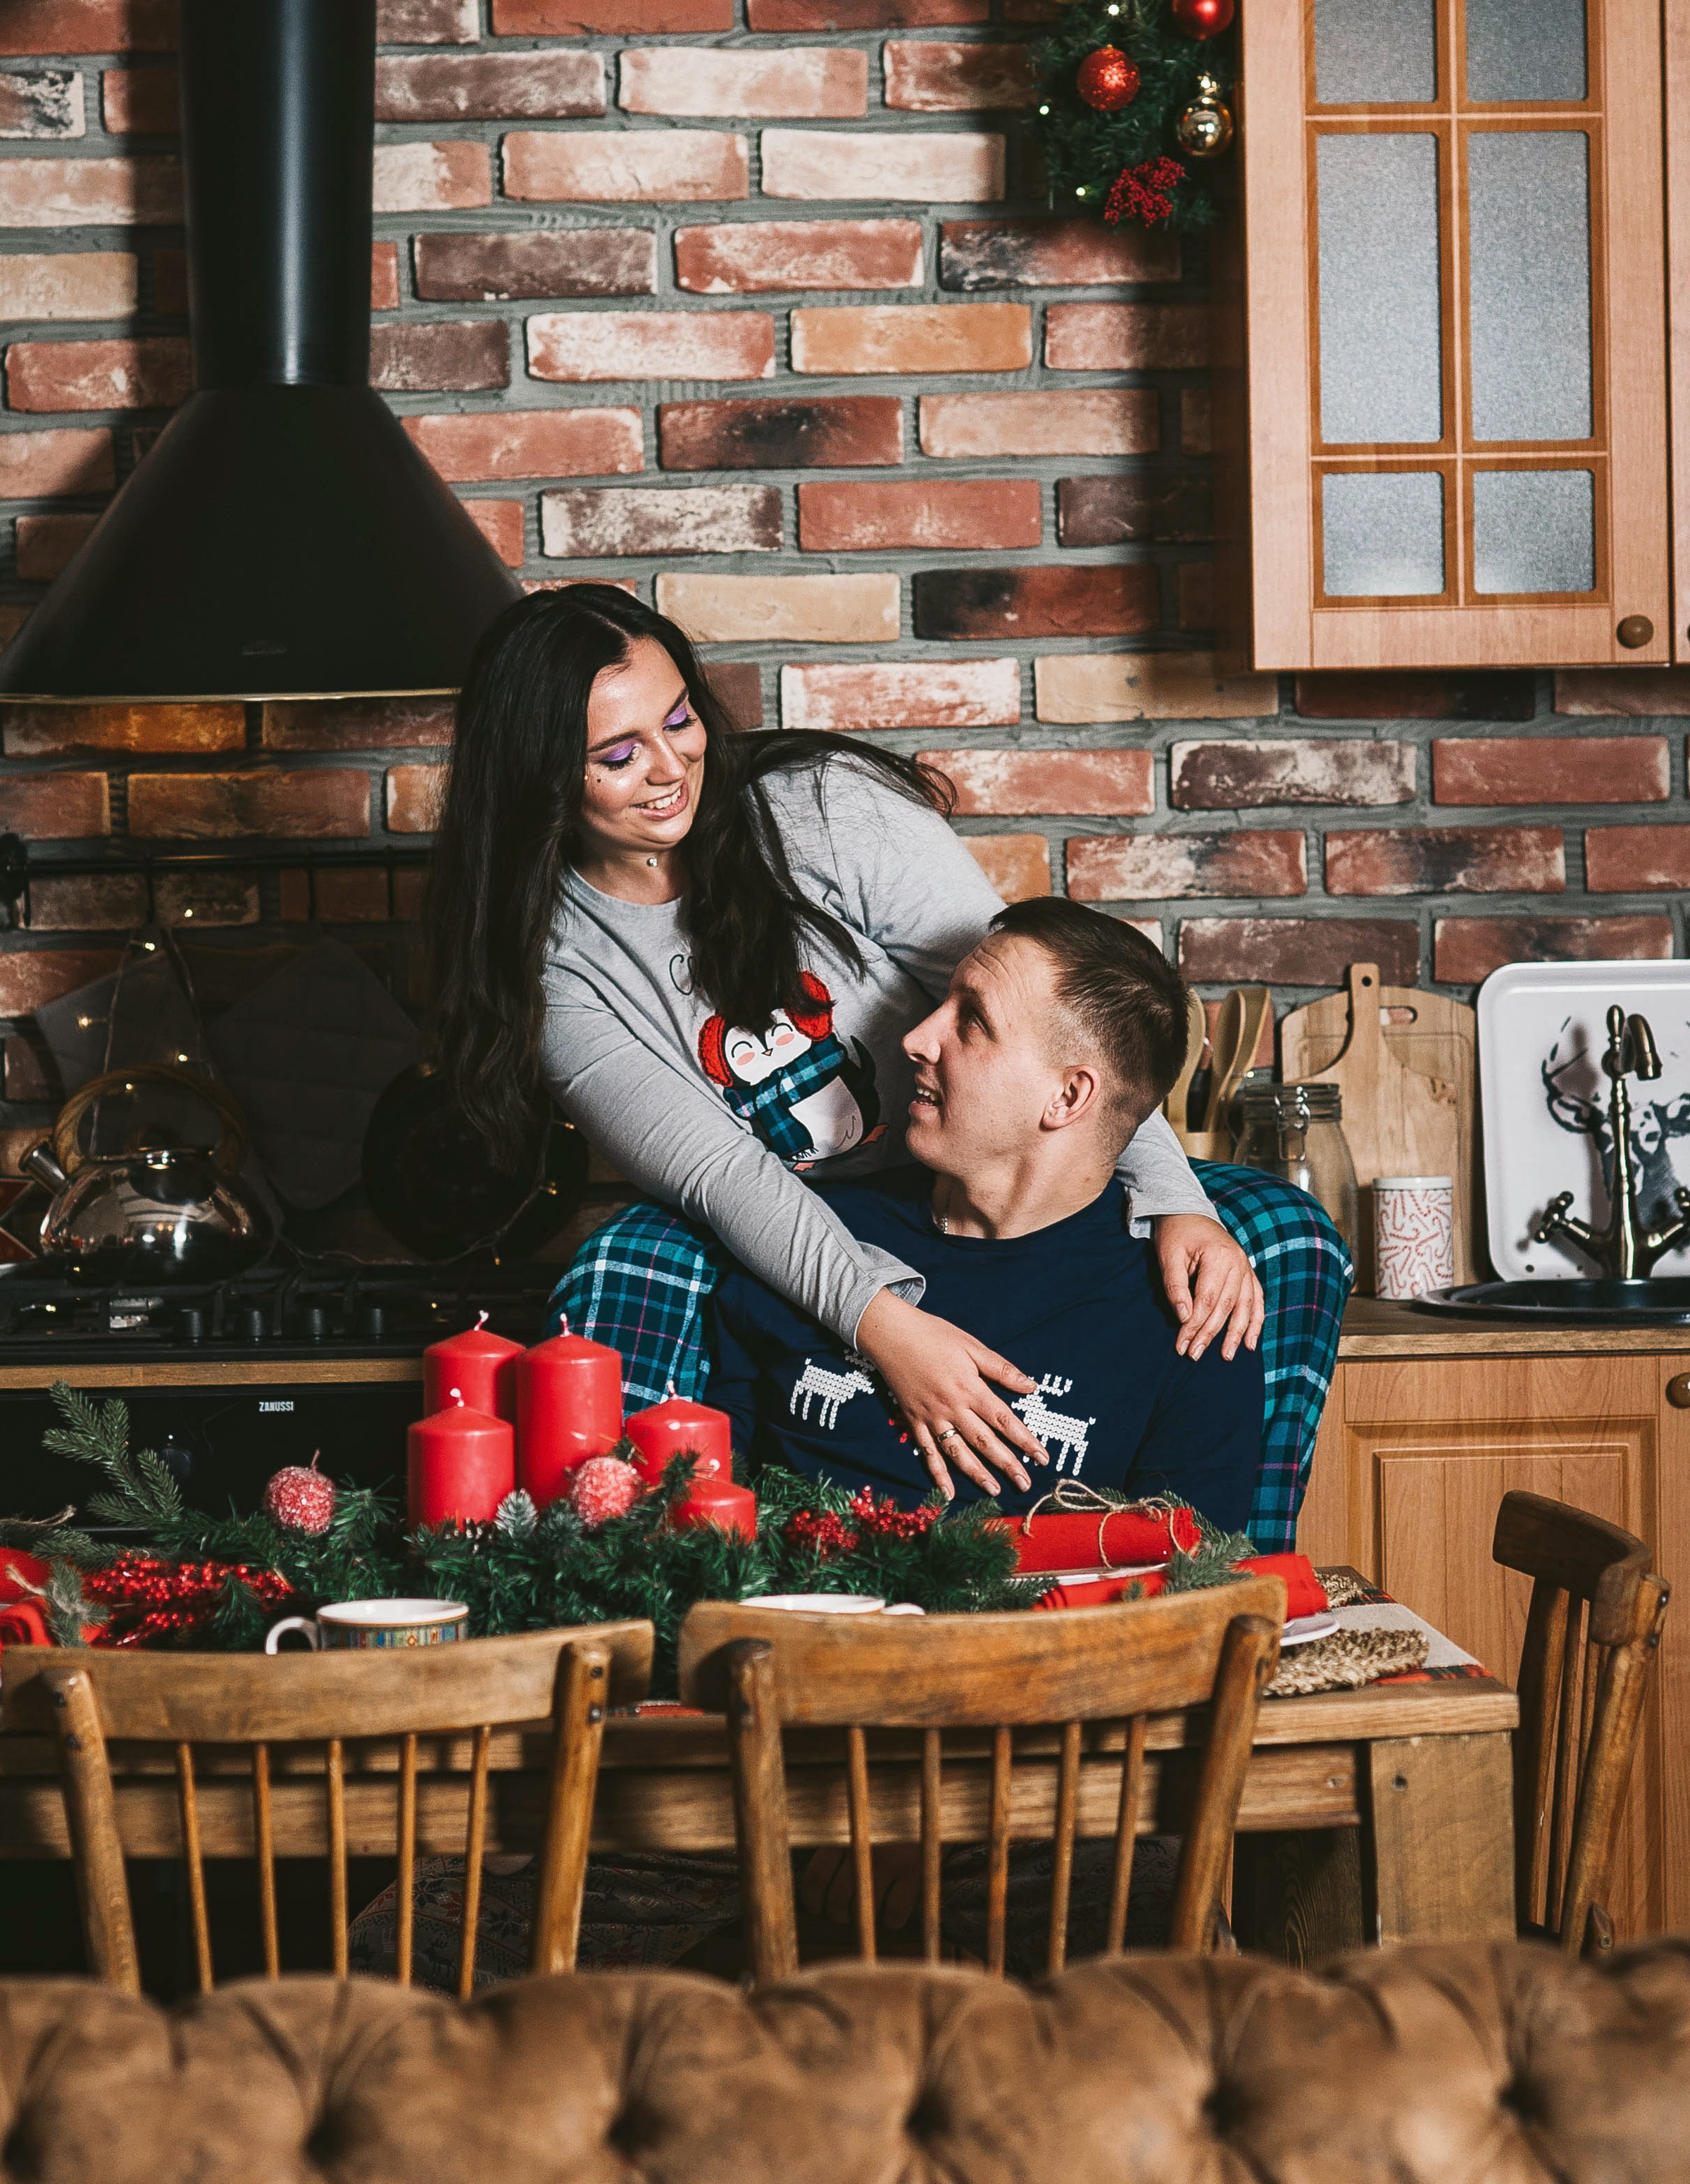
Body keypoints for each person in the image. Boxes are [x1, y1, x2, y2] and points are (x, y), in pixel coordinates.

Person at [425, 585, 1274, 1511]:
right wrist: (885, 1327)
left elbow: (1058, 1019)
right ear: (542, 775)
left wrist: (1173, 1197)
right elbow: (723, 1176)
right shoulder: (555, 965)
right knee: (633, 1252)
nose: (672, 769)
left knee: (1280, 1232)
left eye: (680, 720)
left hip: (984, 1160)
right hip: (800, 1222)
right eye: (619, 755)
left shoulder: (819, 807)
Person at [706, 900, 1265, 1532]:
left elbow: (1187, 1582)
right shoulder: (810, 1237)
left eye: (972, 1021)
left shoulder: (1193, 1316)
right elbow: (709, 1495)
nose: (915, 1039)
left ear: (1068, 1096)